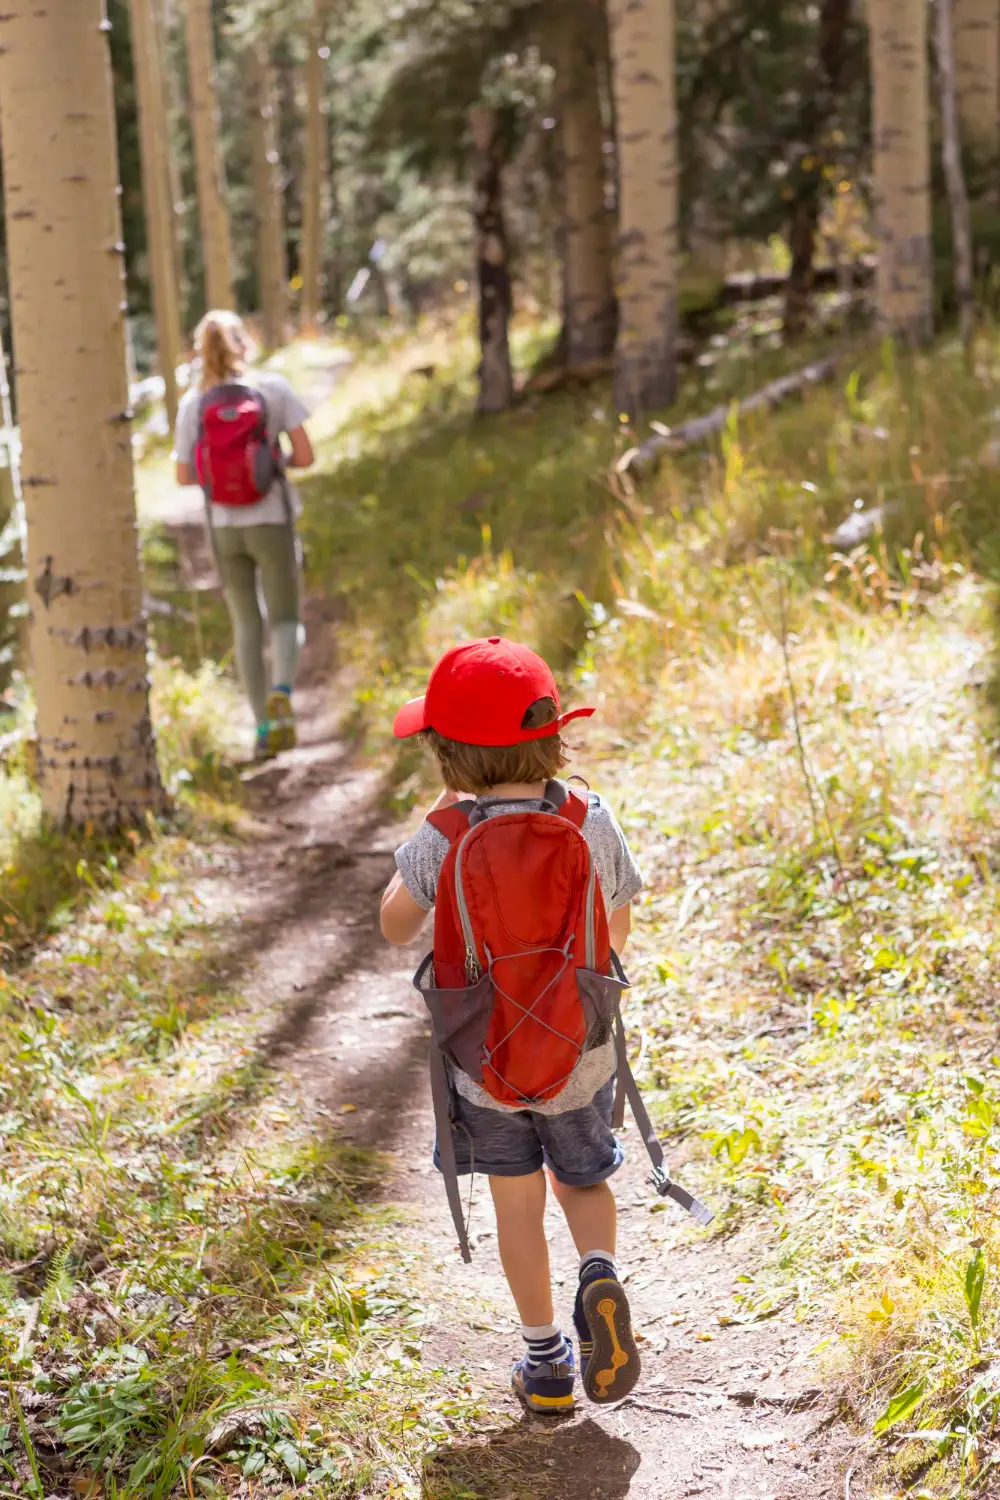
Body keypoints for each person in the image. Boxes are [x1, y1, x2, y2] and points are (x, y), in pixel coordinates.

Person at [380, 636, 644, 1414]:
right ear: (552, 734)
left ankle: (547, 1366)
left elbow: (395, 926)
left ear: (448, 754)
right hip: (578, 1053)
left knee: (517, 1204)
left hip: (484, 1064)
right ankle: (598, 1270)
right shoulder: (588, 816)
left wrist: (428, 844)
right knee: (584, 1181)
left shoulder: (446, 835)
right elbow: (617, 935)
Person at [174, 310, 315, 760]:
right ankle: (282, 690)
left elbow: (182, 476)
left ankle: (260, 729)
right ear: (244, 344)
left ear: (201, 352)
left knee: (245, 623)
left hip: (223, 528)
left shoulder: (193, 405)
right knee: (286, 616)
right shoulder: (272, 388)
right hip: (271, 518)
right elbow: (307, 455)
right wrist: (274, 465)